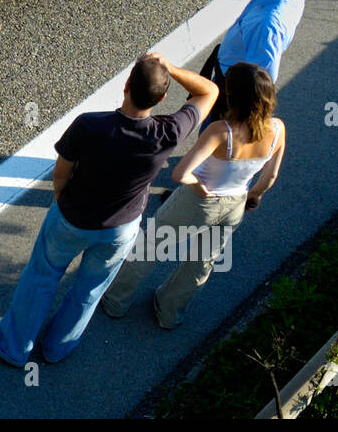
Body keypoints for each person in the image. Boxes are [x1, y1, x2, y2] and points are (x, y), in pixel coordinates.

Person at [0, 53, 218, 367]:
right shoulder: (168, 132)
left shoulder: (90, 124)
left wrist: (60, 196)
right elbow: (209, 91)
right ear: (163, 97)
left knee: (41, 277)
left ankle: (13, 348)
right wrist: (168, 67)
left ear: (126, 86)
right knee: (90, 288)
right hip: (120, 229)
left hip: (72, 218)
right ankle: (58, 348)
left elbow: (62, 170)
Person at [101, 62, 286, 328]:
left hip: (198, 202)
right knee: (201, 263)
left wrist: (199, 187)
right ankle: (168, 313)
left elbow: (181, 174)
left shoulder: (221, 132)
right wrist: (252, 196)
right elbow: (270, 177)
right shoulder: (278, 129)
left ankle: (115, 302)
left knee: (152, 248)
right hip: (235, 205)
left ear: (233, 95)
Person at [202, 0, 305, 119]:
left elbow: (260, 80)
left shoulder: (267, 25)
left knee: (211, 137)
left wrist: (235, 116)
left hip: (231, 96)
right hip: (227, 78)